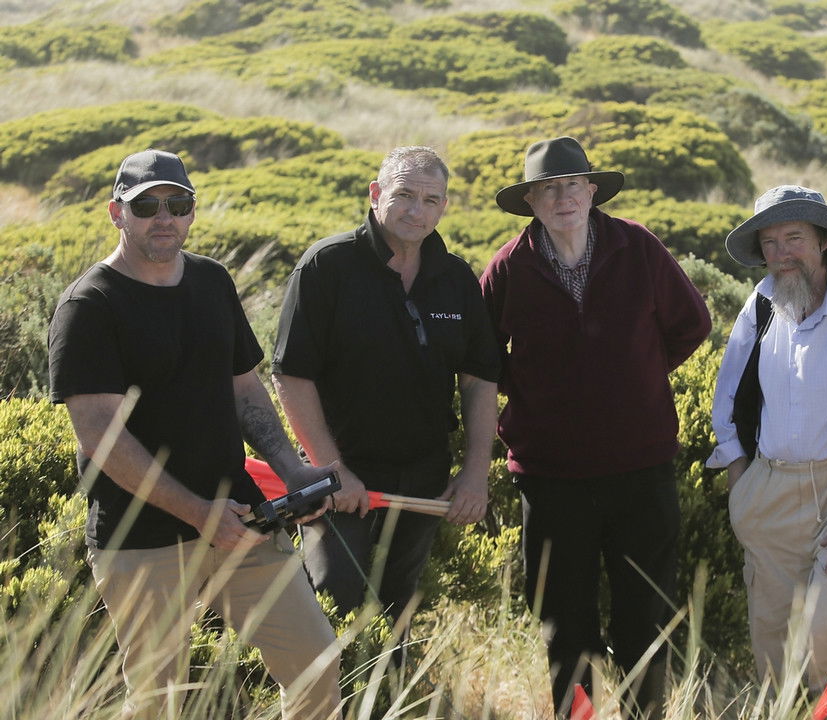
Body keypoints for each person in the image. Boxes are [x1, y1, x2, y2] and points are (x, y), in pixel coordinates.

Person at [47, 149, 341, 720]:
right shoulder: (89, 306)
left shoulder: (211, 281)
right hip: (142, 541)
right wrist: (197, 512)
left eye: (177, 204)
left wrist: (291, 468)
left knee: (316, 666)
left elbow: (246, 391)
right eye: (146, 205)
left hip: (244, 525)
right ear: (116, 212)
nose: (164, 217)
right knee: (159, 702)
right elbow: (100, 436)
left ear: (192, 212)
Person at [479, 136, 711, 718]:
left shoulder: (638, 247)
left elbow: (692, 324)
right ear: (531, 201)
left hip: (642, 468)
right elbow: (479, 354)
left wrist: (634, 379)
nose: (563, 198)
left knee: (644, 618)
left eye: (573, 185)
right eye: (549, 189)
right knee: (564, 622)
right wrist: (531, 392)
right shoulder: (510, 266)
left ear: (591, 191)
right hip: (550, 477)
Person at [272, 146, 500, 631]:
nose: (418, 211)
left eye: (432, 200)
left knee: (397, 610)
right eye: (405, 195)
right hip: (339, 478)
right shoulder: (326, 267)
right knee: (333, 598)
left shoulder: (456, 277)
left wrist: (476, 470)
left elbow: (479, 380)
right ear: (376, 194)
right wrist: (332, 471)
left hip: (423, 478)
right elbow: (291, 374)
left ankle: (387, 699)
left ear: (444, 207)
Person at [706, 185, 827, 708]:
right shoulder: (761, 303)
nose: (780, 254)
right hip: (767, 494)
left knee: (822, 636)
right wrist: (741, 473)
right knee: (772, 650)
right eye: (768, 243)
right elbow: (726, 394)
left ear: (824, 241)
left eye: (794, 238)